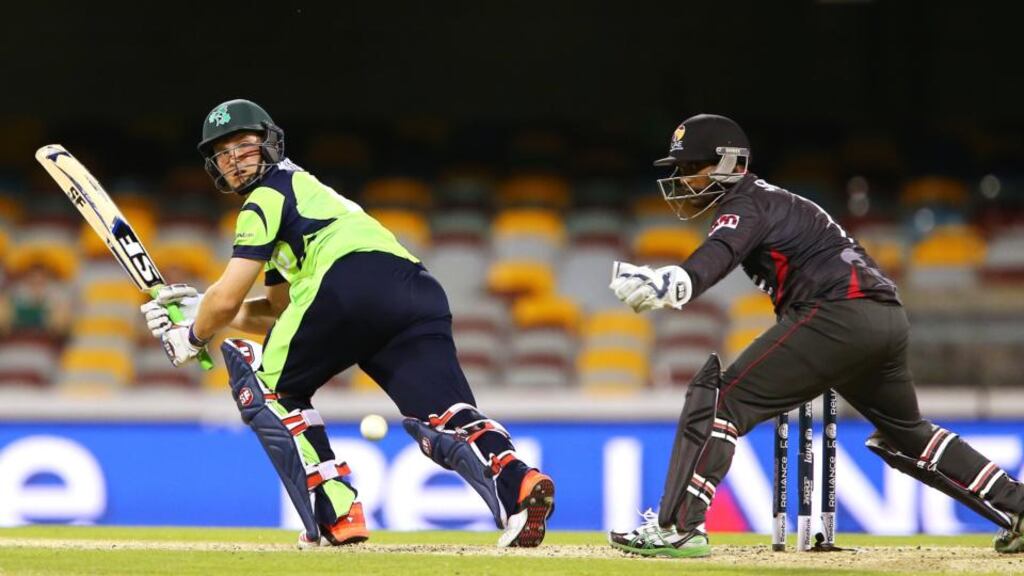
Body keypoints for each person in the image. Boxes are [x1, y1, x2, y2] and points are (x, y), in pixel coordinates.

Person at [140, 99, 554, 548]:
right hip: (413, 290)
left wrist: (192, 334)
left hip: (346, 283)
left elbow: (231, 298)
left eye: (244, 145)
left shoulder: (265, 198)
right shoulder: (305, 193)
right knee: (442, 417)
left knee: (268, 388)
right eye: (224, 154)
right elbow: (280, 310)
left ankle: (335, 514)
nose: (235, 160)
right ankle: (518, 485)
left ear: (269, 144)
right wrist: (205, 308)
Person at [606, 113, 1024, 557]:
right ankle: (1018, 505)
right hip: (884, 319)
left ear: (727, 163)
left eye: (692, 168)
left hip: (836, 315)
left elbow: (719, 252)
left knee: (720, 401)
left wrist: (677, 281)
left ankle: (679, 528)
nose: (684, 180)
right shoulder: (778, 201)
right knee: (907, 436)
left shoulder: (746, 204)